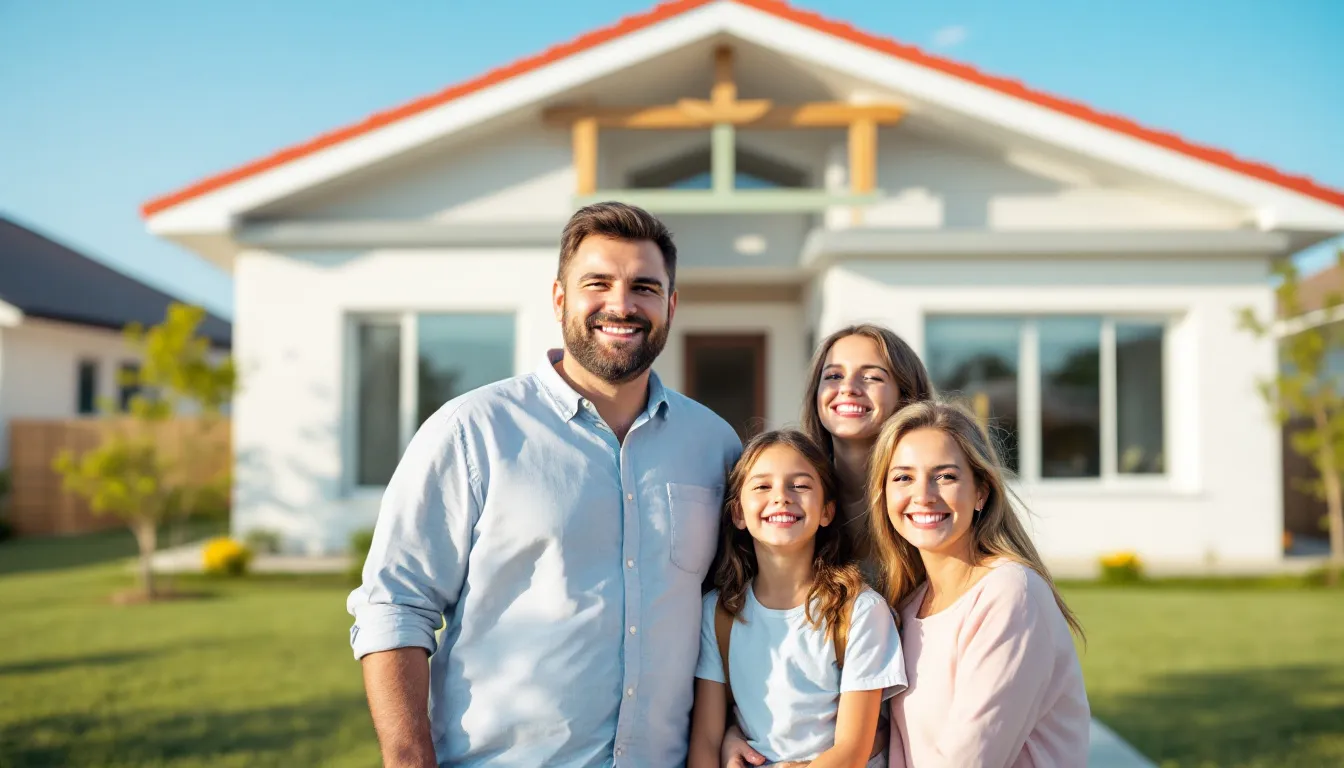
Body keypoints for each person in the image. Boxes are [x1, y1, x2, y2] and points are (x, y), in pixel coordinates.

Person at [346, 201, 742, 768]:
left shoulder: (714, 445)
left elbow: (733, 611)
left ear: (671, 306)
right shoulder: (472, 431)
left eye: (645, 288)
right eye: (597, 283)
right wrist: (409, 759)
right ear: (560, 298)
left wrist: (729, 728)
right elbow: (395, 604)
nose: (621, 305)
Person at [722, 323, 933, 768]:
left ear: (907, 397)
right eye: (833, 375)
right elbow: (759, 643)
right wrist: (735, 727)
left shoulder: (924, 510)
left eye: (872, 376)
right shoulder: (794, 503)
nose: (848, 388)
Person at [868, 399, 1091, 767]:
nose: (923, 495)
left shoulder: (1011, 594)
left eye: (946, 476)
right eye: (903, 477)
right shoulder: (909, 605)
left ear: (981, 493)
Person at [689, 430, 906, 768]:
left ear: (827, 511)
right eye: (762, 486)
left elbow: (852, 750)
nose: (782, 497)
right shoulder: (719, 612)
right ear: (738, 514)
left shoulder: (860, 611)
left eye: (801, 486)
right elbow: (706, 741)